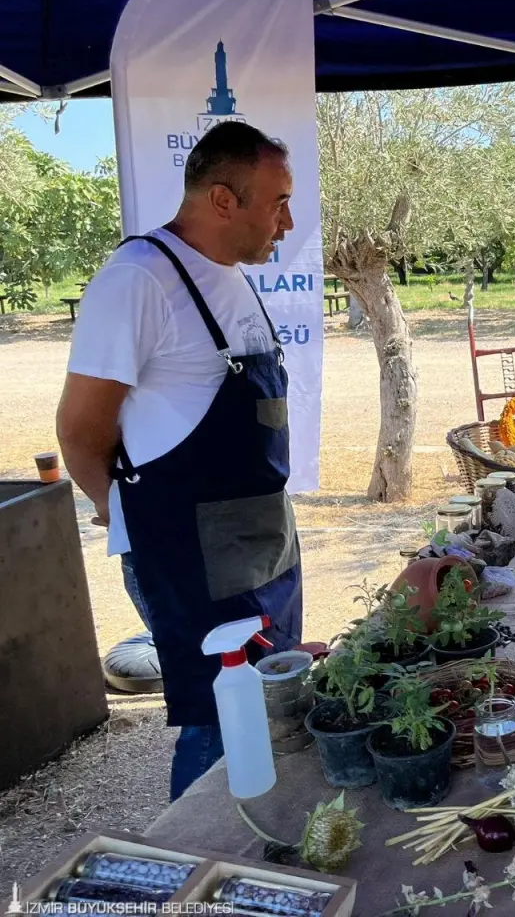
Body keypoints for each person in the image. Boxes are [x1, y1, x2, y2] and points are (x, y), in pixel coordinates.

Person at [56, 121, 303, 802]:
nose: (289, 220)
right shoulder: (137, 280)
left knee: (268, 710)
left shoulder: (230, 277)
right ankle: (198, 878)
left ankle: (258, 850)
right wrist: (137, 524)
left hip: (265, 545)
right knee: (219, 723)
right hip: (193, 555)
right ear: (224, 200)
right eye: (277, 200)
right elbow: (80, 434)